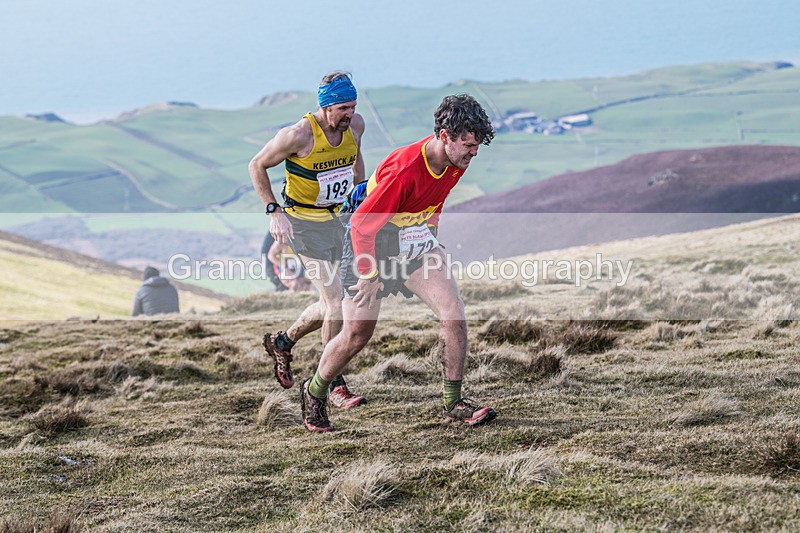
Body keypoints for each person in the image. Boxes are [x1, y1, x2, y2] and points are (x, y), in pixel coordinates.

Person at [300, 94, 497, 432]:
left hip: (412, 242)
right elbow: (361, 225)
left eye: (477, 145)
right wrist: (371, 274)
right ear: (445, 135)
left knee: (453, 313)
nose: (474, 152)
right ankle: (314, 392)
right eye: (468, 144)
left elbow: (436, 200)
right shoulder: (406, 169)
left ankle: (454, 402)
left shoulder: (457, 161)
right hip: (370, 244)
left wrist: (431, 237)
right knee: (357, 334)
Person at [248, 71, 367, 409]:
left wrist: (361, 198)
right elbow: (256, 165)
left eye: (353, 106)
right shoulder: (298, 135)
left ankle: (283, 342)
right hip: (303, 223)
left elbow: (355, 159)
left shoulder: (355, 126)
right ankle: (331, 383)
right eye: (343, 107)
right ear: (326, 106)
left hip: (339, 220)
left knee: (334, 302)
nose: (349, 114)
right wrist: (274, 211)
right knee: (337, 304)